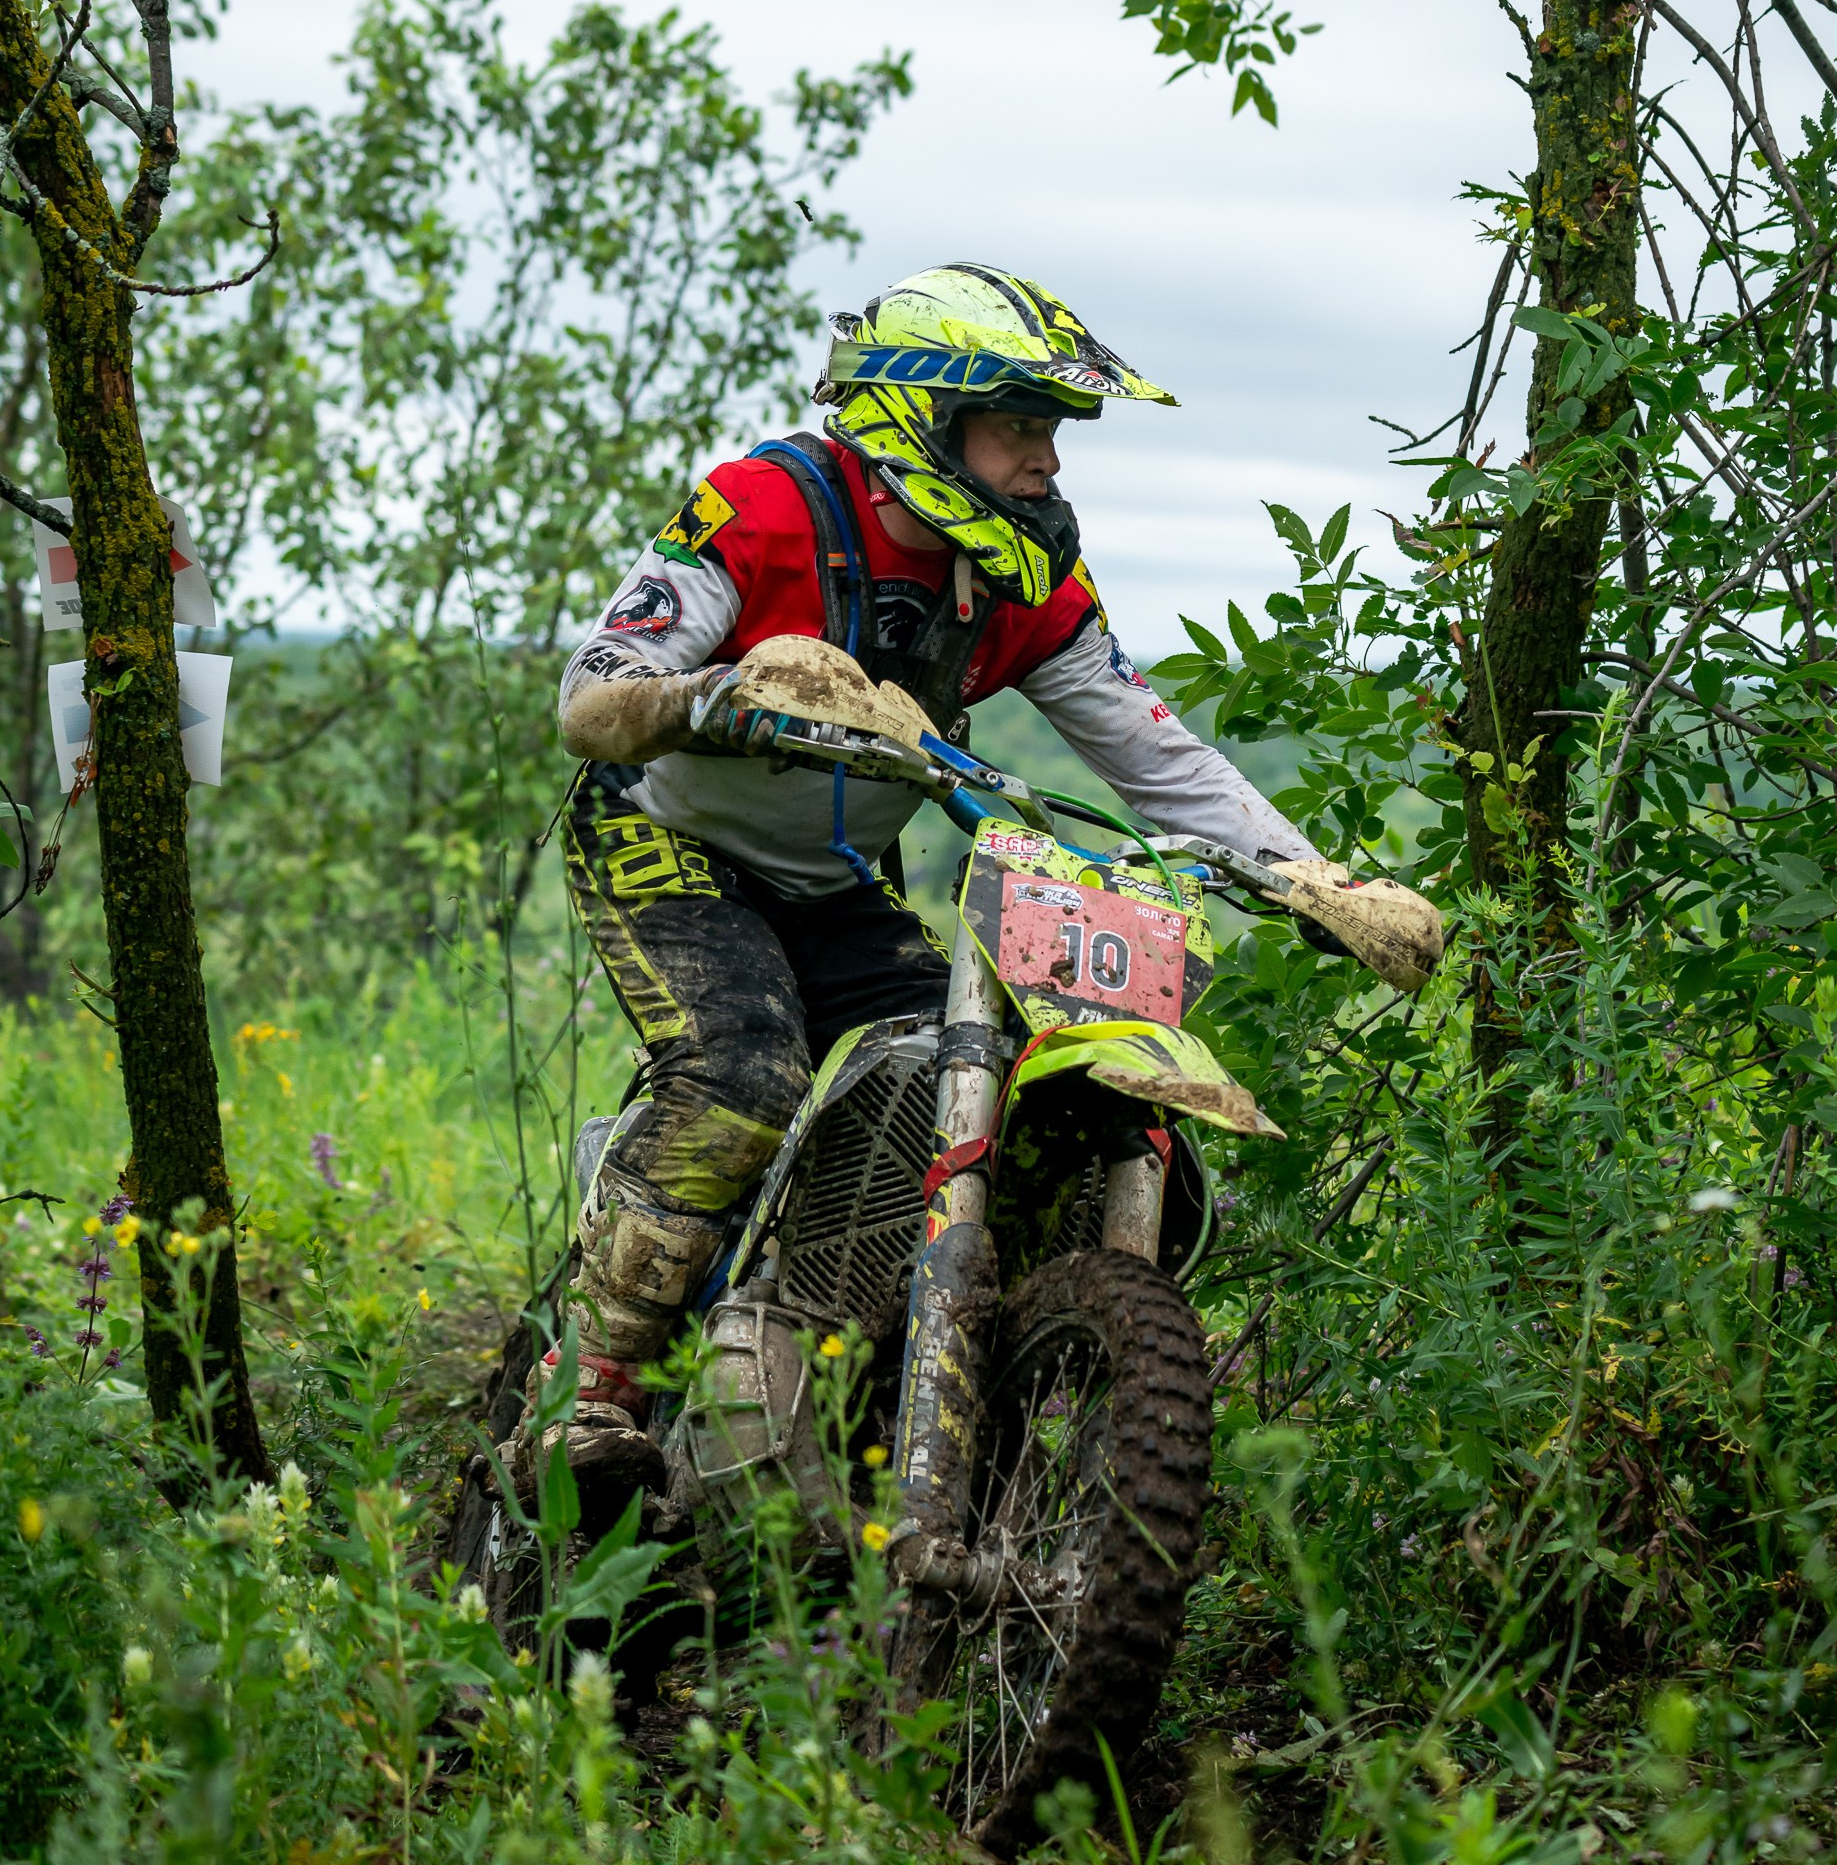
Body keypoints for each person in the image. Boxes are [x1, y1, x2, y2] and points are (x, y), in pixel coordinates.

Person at [547, 261, 1336, 1498]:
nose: (1048, 464)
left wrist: (1314, 879)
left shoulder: (1021, 583)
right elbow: (592, 695)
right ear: (922, 418)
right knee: (745, 1074)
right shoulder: (764, 507)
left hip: (834, 874)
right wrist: (720, 690)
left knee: (957, 1087)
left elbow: (1154, 752)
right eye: (1020, 428)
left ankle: (854, 1363)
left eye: (1053, 433)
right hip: (669, 838)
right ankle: (593, 1393)